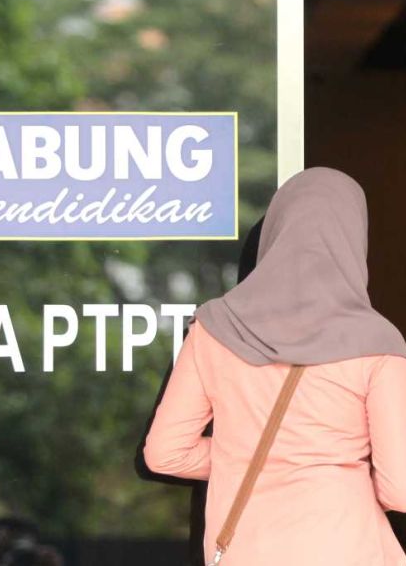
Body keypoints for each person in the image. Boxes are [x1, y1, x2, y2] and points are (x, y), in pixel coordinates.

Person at [143, 167, 406, 566]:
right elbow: (403, 491)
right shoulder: (379, 345)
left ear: (275, 232)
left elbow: (165, 453)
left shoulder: (213, 329)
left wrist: (244, 457)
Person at [133, 218, 264, 566]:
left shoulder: (328, 345)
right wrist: (269, 461)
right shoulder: (213, 336)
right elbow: (157, 458)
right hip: (228, 540)